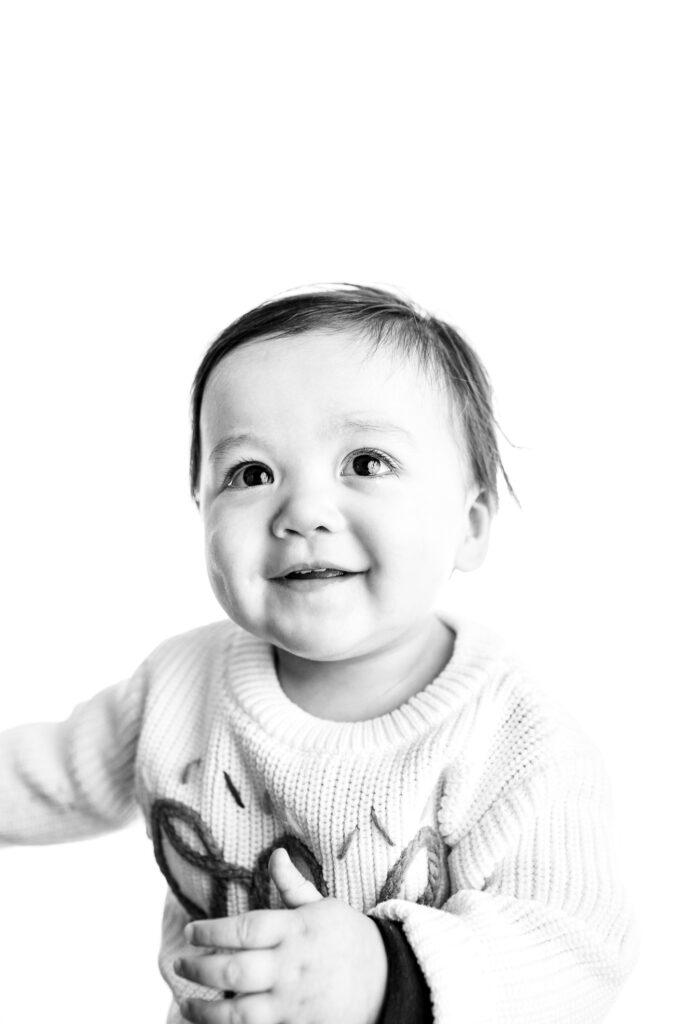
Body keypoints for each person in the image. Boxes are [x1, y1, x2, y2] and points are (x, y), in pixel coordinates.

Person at [0, 285, 637, 1024]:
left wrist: (385, 972)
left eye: (366, 462)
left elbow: (577, 948)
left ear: (468, 525)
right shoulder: (179, 686)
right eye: (249, 474)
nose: (302, 511)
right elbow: (43, 778)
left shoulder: (516, 739)